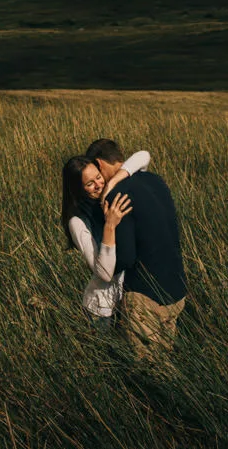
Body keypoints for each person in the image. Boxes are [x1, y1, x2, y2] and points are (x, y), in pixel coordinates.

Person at [86, 138, 187, 366]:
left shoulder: (116, 197)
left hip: (145, 297)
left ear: (100, 164)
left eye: (96, 174)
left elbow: (125, 258)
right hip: (176, 289)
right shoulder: (155, 180)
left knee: (149, 367)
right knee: (165, 359)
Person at [60, 149, 152, 325]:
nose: (98, 185)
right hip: (101, 311)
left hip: (127, 302)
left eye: (98, 177)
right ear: (78, 190)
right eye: (89, 184)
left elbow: (144, 156)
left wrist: (114, 181)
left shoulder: (110, 197)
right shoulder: (77, 221)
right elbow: (104, 273)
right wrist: (110, 225)